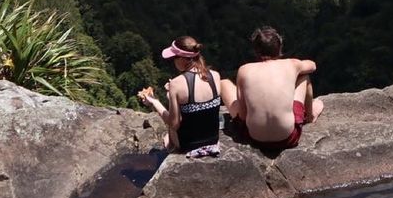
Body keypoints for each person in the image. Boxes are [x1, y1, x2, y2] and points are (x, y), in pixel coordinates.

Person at [219, 26, 324, 154]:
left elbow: (243, 115)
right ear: (279, 48)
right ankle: (310, 115)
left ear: (256, 50)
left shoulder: (244, 70)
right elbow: (312, 66)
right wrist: (298, 67)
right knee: (304, 76)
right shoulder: (291, 64)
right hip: (288, 137)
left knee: (224, 83)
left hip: (253, 137)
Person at [138, 36, 223, 158]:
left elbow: (174, 124)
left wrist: (154, 102)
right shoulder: (215, 75)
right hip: (213, 140)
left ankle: (169, 145)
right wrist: (172, 95)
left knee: (169, 134)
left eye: (174, 58)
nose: (173, 61)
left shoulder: (176, 84)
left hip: (189, 145)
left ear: (183, 59)